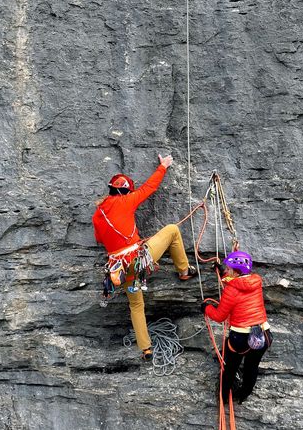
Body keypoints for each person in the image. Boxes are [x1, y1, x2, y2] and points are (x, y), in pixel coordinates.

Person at [93, 153, 198, 361]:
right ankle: (184, 270)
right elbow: (148, 188)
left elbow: (100, 240)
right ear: (125, 191)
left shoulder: (97, 215)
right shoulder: (125, 201)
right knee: (171, 230)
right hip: (138, 258)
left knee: (136, 305)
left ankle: (146, 349)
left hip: (119, 269)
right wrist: (163, 166)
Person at [202, 251, 272, 404]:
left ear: (234, 271)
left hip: (240, 338)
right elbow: (238, 282)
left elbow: (220, 316)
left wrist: (206, 308)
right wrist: (222, 274)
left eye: (227, 268)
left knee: (230, 368)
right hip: (263, 334)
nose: (226, 270)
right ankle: (243, 394)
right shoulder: (256, 281)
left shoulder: (231, 289)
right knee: (251, 367)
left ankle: (224, 397)